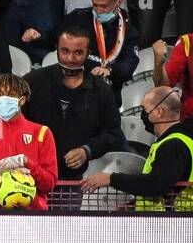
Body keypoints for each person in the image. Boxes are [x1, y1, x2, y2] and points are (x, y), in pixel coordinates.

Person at [23, 27, 127, 180]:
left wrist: (87, 150)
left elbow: (113, 133)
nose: (70, 58)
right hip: (31, 177)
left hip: (76, 181)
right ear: (57, 49)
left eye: (78, 52)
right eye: (65, 51)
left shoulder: (101, 90)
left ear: (88, 53)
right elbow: (14, 124)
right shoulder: (32, 81)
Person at [82, 86, 193, 208]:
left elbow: (156, 185)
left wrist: (111, 178)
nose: (142, 115)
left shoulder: (173, 145)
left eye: (144, 109)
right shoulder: (183, 139)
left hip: (179, 222)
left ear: (159, 112)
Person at [0, 73, 59, 211]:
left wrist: (28, 163)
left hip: (34, 219)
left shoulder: (42, 133)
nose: (3, 99)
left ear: (22, 100)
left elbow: (49, 184)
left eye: (10, 94)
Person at [63, 0, 139, 98]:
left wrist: (109, 70)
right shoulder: (78, 18)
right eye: (95, 5)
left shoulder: (128, 30)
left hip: (110, 96)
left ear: (118, 2)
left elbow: (129, 65)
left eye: (103, 6)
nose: (98, 11)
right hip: (77, 93)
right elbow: (61, 45)